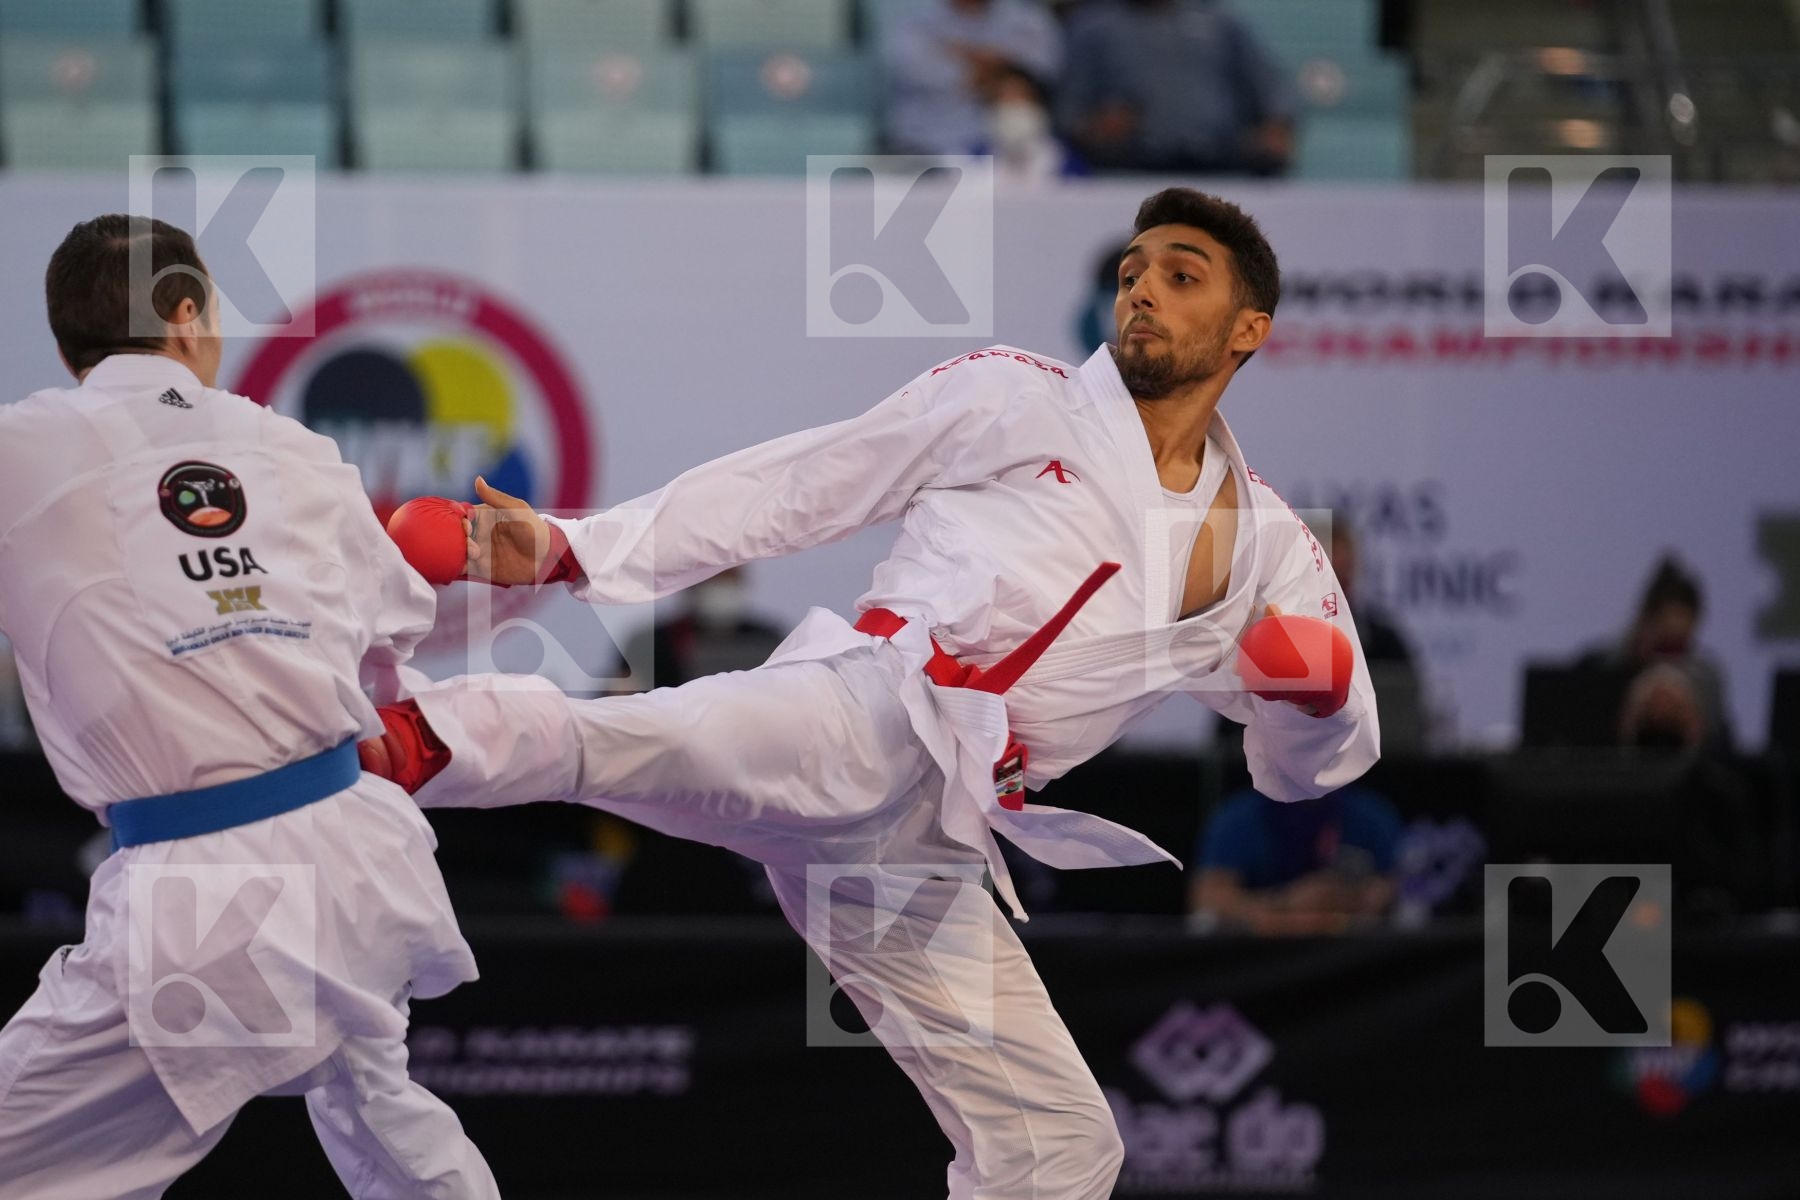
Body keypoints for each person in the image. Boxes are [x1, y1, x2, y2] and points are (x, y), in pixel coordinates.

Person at [371, 188, 1380, 1200]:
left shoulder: (1272, 548)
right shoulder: (1015, 398)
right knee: (636, 742)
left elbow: (1306, 769)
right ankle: (397, 736)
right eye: (1131, 272)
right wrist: (570, 545)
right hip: (871, 710)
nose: (1142, 292)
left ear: (1250, 328)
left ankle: (412, 736)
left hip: (936, 841)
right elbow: (797, 486)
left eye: (1181, 275)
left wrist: (1316, 702)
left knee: (1065, 1146)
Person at [0, 217, 496, 1198]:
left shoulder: (22, 450)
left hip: (207, 890)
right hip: (355, 850)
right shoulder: (299, 451)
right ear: (186, 316)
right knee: (388, 1126)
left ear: (69, 348)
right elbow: (391, 648)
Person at [1059, 0, 1295, 175]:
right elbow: (1066, 111)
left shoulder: (1219, 21)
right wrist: (1095, 126)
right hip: (1128, 167)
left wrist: (1277, 125)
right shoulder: (1092, 27)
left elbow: (1272, 86)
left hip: (1220, 162)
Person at [1189, 784, 1402, 934]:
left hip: (1348, 955)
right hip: (1261, 955)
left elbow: (1400, 889)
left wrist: (1358, 898)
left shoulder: (1370, 816)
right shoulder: (1239, 819)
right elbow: (1208, 899)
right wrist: (1287, 902)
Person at [1585, 555, 1733, 751]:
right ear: (1653, 615)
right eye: (1669, 613)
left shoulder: (1705, 673)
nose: (1675, 623)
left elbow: (1716, 731)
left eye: (1683, 614)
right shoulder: (1624, 657)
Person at [883, 0, 1063, 157]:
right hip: (921, 151)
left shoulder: (1027, 19)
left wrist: (960, 52)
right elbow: (920, 72)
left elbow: (1037, 72)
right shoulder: (916, 22)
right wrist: (1000, 62)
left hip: (1006, 155)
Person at [618, 565, 787, 691]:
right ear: (691, 582)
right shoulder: (649, 644)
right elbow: (618, 697)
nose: (721, 586)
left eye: (728, 577)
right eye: (714, 578)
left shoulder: (767, 640)